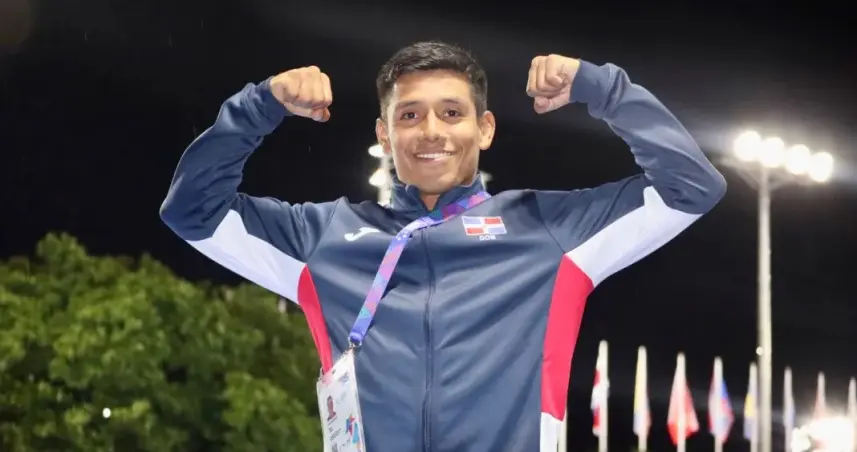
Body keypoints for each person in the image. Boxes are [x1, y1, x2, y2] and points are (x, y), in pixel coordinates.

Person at [160, 41, 726, 452]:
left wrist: (600, 88)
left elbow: (692, 188)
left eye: (452, 113)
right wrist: (261, 105)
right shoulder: (324, 238)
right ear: (385, 136)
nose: (431, 130)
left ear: (485, 129)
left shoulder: (549, 231)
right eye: (409, 115)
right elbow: (192, 211)